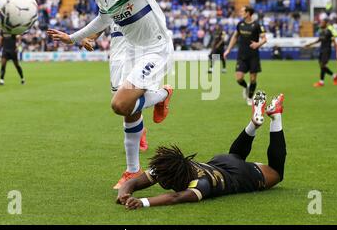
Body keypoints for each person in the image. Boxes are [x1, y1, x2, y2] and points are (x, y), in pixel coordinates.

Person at [47, 0, 174, 189]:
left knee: (120, 104)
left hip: (156, 49)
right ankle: (132, 171)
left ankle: (162, 94)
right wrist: (72, 38)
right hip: (134, 52)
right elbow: (103, 19)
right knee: (129, 111)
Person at [116, 90, 287, 210]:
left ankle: (275, 116)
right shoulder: (171, 167)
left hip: (241, 174)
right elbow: (134, 182)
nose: (159, 179)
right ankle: (254, 124)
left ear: (171, 180)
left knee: (276, 173)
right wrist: (124, 193)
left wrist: (143, 202)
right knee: (235, 155)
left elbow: (175, 198)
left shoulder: (201, 184)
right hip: (223, 162)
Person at [82, 24, 148, 152]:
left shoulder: (139, 4)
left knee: (126, 100)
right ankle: (141, 129)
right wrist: (89, 38)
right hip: (117, 57)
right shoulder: (108, 6)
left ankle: (162, 94)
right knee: (122, 103)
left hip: (135, 53)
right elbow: (100, 24)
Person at [224, 6, 267, 106]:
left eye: (242, 11)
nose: (240, 13)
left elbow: (264, 39)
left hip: (253, 56)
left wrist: (258, 44)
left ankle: (250, 97)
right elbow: (235, 37)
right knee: (239, 78)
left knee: (253, 79)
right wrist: (228, 50)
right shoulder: (240, 24)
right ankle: (246, 87)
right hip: (242, 56)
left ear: (248, 13)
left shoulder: (257, 25)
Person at [304, 18, 337, 87]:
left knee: (323, 65)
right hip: (322, 49)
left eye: (322, 22)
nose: (321, 23)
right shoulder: (321, 31)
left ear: (326, 23)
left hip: (327, 50)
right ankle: (332, 76)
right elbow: (319, 40)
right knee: (321, 66)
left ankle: (323, 81)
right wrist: (309, 44)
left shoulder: (329, 31)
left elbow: (334, 41)